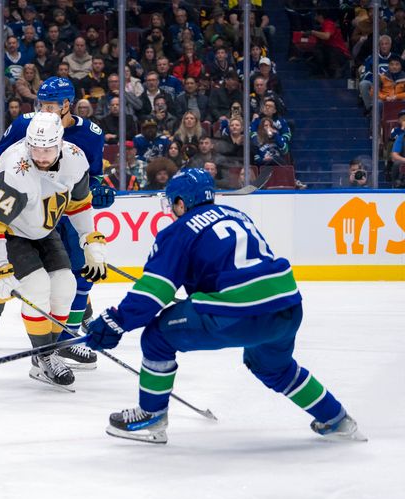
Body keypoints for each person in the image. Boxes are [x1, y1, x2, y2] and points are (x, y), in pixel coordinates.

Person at [86, 167, 366, 444]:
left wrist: (115, 322)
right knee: (274, 368)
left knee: (158, 337)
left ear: (181, 202)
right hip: (287, 306)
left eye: (173, 204)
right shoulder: (237, 215)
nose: (171, 210)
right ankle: (337, 419)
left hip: (238, 314)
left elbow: (154, 293)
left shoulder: (179, 230)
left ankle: (152, 416)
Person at [0, 112, 107, 390]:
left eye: (48, 149)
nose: (41, 156)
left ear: (60, 144)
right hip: (5, 229)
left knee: (66, 284)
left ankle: (52, 348)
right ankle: (43, 356)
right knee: (37, 286)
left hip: (40, 225)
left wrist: (90, 239)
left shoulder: (76, 159)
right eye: (36, 149)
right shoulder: (15, 172)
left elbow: (79, 204)